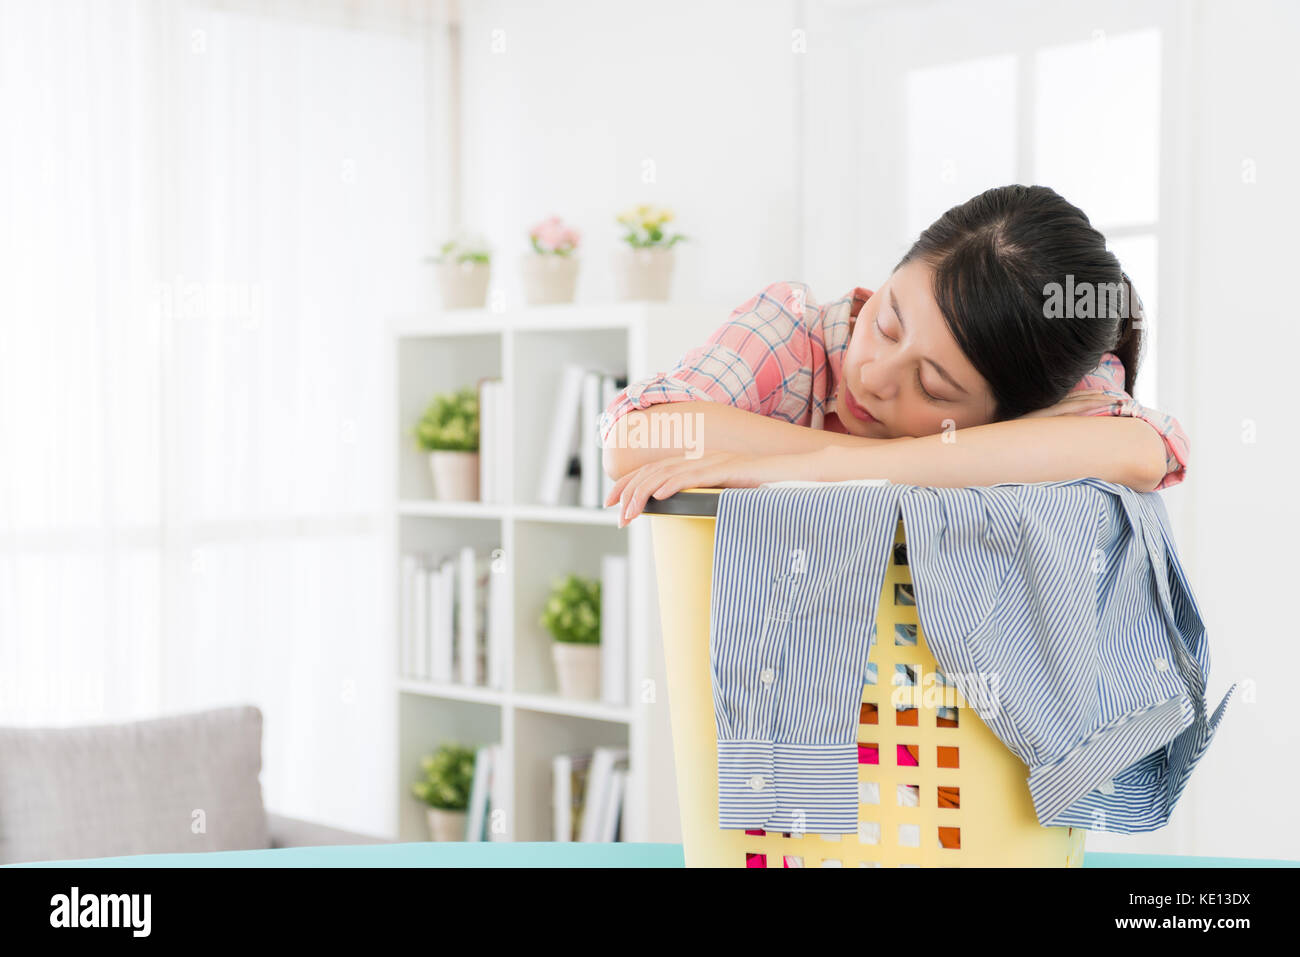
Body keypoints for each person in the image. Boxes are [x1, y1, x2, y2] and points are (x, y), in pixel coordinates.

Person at [600, 184, 1187, 527]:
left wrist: (816, 470)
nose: (874, 376)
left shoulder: (1056, 383)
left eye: (932, 389)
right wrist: (871, 455)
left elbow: (1139, 449)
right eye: (886, 324)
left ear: (1010, 410)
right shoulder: (793, 337)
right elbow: (633, 437)